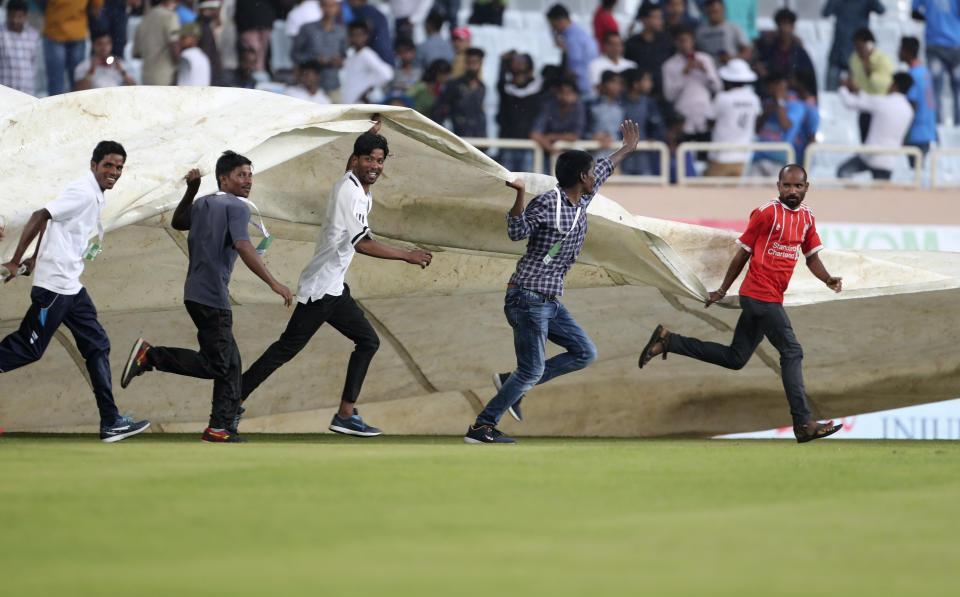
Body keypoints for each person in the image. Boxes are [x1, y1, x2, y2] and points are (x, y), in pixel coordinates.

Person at [238, 131, 433, 437]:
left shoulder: (352, 182)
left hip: (333, 287)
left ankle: (345, 414)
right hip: (321, 289)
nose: (375, 166)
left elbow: (351, 174)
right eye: (369, 159)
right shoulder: (351, 192)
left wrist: (371, 134)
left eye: (380, 161)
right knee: (286, 349)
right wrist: (407, 256)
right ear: (356, 159)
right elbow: (362, 244)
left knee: (368, 341)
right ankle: (231, 400)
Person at [638, 164, 844, 444]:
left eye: (797, 186)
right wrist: (723, 289)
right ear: (778, 186)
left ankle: (668, 341)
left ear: (807, 187)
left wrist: (827, 278)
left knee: (735, 358)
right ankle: (803, 423)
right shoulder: (766, 213)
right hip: (759, 294)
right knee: (792, 351)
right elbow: (741, 254)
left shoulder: (807, 218)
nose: (792, 191)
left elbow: (811, 258)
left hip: (769, 297)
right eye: (787, 185)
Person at [466, 120, 641, 443]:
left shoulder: (582, 198)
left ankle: (510, 383)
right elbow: (517, 232)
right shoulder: (548, 202)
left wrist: (627, 149)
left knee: (584, 353)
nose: (595, 175)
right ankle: (482, 426)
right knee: (531, 370)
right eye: (590, 172)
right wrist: (519, 195)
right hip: (528, 297)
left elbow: (605, 166)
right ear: (580, 177)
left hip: (547, 300)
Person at [120, 151, 293, 443]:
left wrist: (191, 190)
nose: (248, 181)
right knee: (219, 365)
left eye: (250, 175)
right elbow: (243, 245)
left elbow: (177, 222)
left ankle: (219, 427)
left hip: (196, 293)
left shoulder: (203, 203)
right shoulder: (238, 208)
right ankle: (151, 356)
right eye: (241, 175)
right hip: (213, 297)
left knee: (232, 364)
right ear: (223, 179)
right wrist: (273, 282)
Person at [1, 141, 150, 443]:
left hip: (71, 286)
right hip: (55, 288)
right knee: (28, 349)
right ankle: (110, 421)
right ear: (93, 165)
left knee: (98, 345)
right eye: (108, 165)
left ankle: (111, 422)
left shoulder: (96, 195)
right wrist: (17, 260)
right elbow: (39, 215)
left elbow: (54, 223)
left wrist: (34, 258)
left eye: (119, 167)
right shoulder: (82, 192)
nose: (114, 172)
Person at [837, 72, 915, 181]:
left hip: (870, 156)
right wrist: (858, 90)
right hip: (889, 161)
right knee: (879, 194)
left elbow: (850, 103)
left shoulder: (884, 102)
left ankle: (854, 196)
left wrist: (843, 88)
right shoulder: (909, 110)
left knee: (842, 172)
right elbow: (869, 100)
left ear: (895, 86)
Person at [662, 24, 721, 142]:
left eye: (686, 41)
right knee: (684, 158)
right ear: (675, 43)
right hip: (683, 119)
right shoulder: (669, 65)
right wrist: (684, 74)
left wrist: (706, 72)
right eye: (680, 41)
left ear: (693, 41)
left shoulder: (705, 59)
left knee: (704, 157)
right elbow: (669, 96)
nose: (684, 45)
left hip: (705, 117)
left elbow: (718, 88)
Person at [704, 58, 760, 177]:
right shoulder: (754, 98)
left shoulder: (723, 97)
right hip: (742, 156)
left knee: (707, 192)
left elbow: (709, 120)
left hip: (720, 155)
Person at [911, 0, 960, 124]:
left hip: (935, 44)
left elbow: (914, 13)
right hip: (954, 44)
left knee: (935, 91)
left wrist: (932, 18)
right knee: (957, 91)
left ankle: (937, 129)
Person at [750, 72, 806, 177]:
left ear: (780, 86)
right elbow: (756, 130)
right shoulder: (768, 103)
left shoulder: (796, 105)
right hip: (759, 157)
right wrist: (765, 113)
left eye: (770, 88)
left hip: (779, 161)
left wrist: (779, 101)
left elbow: (785, 125)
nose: (768, 91)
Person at [497, 51, 543, 173]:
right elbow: (501, 81)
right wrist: (503, 61)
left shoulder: (537, 87)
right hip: (508, 142)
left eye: (522, 60)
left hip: (530, 144)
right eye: (515, 61)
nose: (518, 63)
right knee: (506, 183)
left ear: (529, 65)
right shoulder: (506, 89)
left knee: (529, 184)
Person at [822, 0, 885, 91]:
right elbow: (825, 13)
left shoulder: (866, 2)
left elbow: (881, 10)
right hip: (838, 52)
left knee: (857, 91)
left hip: (858, 54)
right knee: (830, 92)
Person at [292, 0, 347, 102]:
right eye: (326, 6)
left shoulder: (341, 31)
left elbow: (344, 56)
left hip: (332, 85)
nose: (329, 9)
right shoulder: (307, 29)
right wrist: (314, 59)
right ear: (320, 7)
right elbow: (295, 55)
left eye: (332, 6)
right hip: (309, 89)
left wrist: (339, 61)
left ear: (337, 8)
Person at [42, 0, 102, 94]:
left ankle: (56, 108)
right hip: (68, 32)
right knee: (75, 82)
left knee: (58, 82)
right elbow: (96, 6)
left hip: (57, 30)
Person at [753, 7, 816, 94]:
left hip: (796, 94)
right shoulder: (767, 50)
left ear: (793, 26)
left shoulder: (799, 53)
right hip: (772, 95)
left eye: (788, 24)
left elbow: (808, 80)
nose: (784, 29)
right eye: (781, 24)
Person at [529, 78, 587, 172]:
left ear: (576, 95)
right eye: (562, 92)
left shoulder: (579, 107)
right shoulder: (549, 105)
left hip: (569, 154)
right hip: (547, 153)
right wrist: (554, 151)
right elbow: (535, 134)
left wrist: (551, 137)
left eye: (569, 93)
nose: (565, 96)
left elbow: (575, 136)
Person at [847, 28, 894, 142]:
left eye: (859, 46)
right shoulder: (854, 58)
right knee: (864, 141)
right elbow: (855, 80)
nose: (857, 50)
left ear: (869, 44)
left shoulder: (883, 60)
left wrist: (867, 64)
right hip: (864, 107)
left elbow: (884, 86)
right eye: (855, 47)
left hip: (879, 108)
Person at [624, 1, 673, 100]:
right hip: (641, 97)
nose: (661, 21)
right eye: (656, 17)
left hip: (666, 94)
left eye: (661, 17)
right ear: (644, 20)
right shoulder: (631, 44)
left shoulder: (667, 41)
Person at [620, 68, 665, 175]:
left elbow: (659, 127)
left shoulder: (649, 103)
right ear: (636, 84)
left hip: (645, 156)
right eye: (647, 80)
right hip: (623, 157)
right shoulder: (619, 102)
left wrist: (654, 137)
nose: (651, 84)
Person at [899, 36, 937, 163]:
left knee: (915, 173)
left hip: (916, 133)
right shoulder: (925, 72)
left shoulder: (913, 75)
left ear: (907, 52)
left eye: (900, 49)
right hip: (927, 130)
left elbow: (912, 105)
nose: (898, 52)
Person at [547, 3, 599, 95]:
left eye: (553, 26)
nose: (553, 29)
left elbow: (574, 70)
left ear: (560, 20)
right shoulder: (578, 33)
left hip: (581, 87)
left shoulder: (572, 39)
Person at [434, 47, 486, 137]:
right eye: (469, 63)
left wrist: (484, 136)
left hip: (477, 137)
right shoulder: (454, 85)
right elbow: (440, 111)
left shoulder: (482, 87)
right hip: (458, 136)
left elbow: (480, 114)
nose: (471, 66)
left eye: (475, 63)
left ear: (480, 64)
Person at [341, 20, 394, 104]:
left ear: (366, 36)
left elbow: (387, 74)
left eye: (359, 35)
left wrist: (369, 90)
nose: (356, 38)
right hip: (350, 103)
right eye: (353, 35)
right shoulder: (351, 55)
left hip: (361, 105)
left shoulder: (367, 54)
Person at [134, 0, 181, 86]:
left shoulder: (144, 20)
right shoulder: (170, 16)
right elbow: (175, 50)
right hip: (166, 79)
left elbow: (136, 54)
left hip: (146, 78)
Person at [0, 0, 40, 95]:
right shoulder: (1, 33)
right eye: (11, 16)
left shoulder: (33, 35)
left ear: (26, 16)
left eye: (19, 17)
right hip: (5, 95)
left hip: (27, 95)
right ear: (7, 15)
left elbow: (35, 65)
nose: (15, 20)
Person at [695, 0, 750, 65]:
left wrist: (733, 59)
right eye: (710, 12)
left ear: (723, 9)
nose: (713, 15)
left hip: (729, 70)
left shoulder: (734, 27)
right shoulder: (700, 31)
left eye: (715, 11)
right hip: (708, 71)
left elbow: (747, 51)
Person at [586, 70, 625, 151]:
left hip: (615, 152)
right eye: (613, 82)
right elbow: (583, 129)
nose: (616, 86)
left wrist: (613, 137)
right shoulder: (590, 105)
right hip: (593, 150)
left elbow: (622, 132)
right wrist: (592, 136)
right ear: (603, 84)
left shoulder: (622, 107)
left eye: (619, 83)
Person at [348, 0, 394, 66]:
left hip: (376, 55)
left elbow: (368, 27)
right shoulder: (374, 11)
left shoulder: (362, 10)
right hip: (386, 54)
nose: (348, 2)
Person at [235, 0, 275, 75]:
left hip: (264, 14)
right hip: (247, 17)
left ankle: (259, 73)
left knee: (261, 54)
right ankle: (251, 74)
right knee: (251, 51)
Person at [196, 0, 225, 87]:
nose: (217, 12)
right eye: (214, 9)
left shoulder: (206, 27)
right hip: (209, 81)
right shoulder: (203, 28)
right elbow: (205, 56)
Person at [177, 22, 211, 86]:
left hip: (187, 94)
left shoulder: (186, 55)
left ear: (193, 38)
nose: (180, 40)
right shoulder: (203, 56)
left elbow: (181, 83)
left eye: (183, 37)